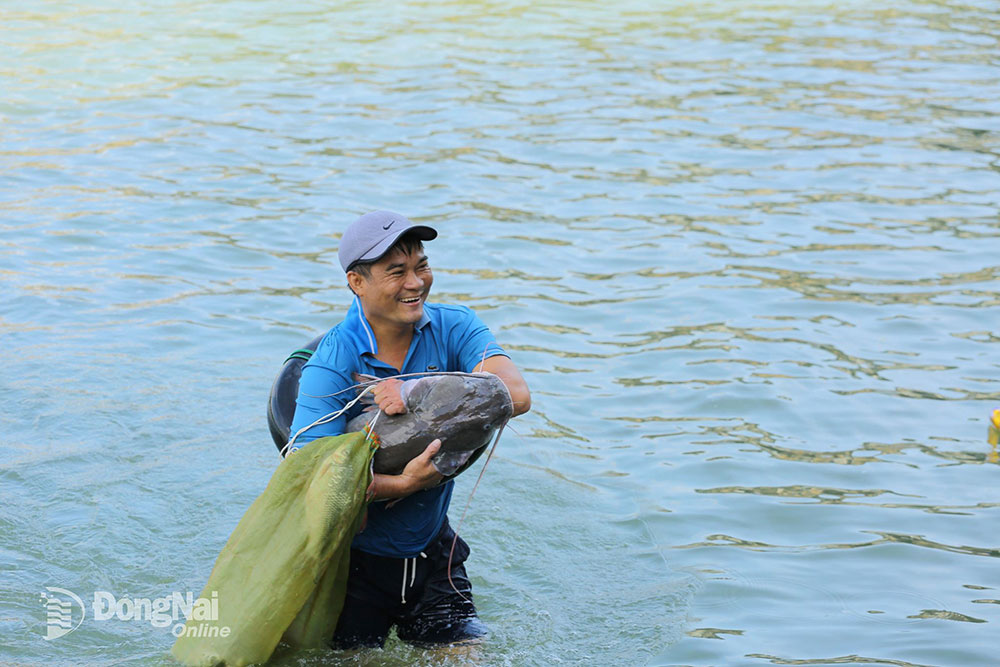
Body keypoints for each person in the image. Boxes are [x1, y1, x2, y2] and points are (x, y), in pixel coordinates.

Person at [287, 210, 531, 650]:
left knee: (468, 657)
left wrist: (418, 389)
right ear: (356, 282)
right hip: (353, 566)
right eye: (396, 272)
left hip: (433, 551)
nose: (416, 282)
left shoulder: (455, 325)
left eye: (421, 266)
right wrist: (403, 483)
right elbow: (311, 477)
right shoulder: (332, 363)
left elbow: (514, 394)